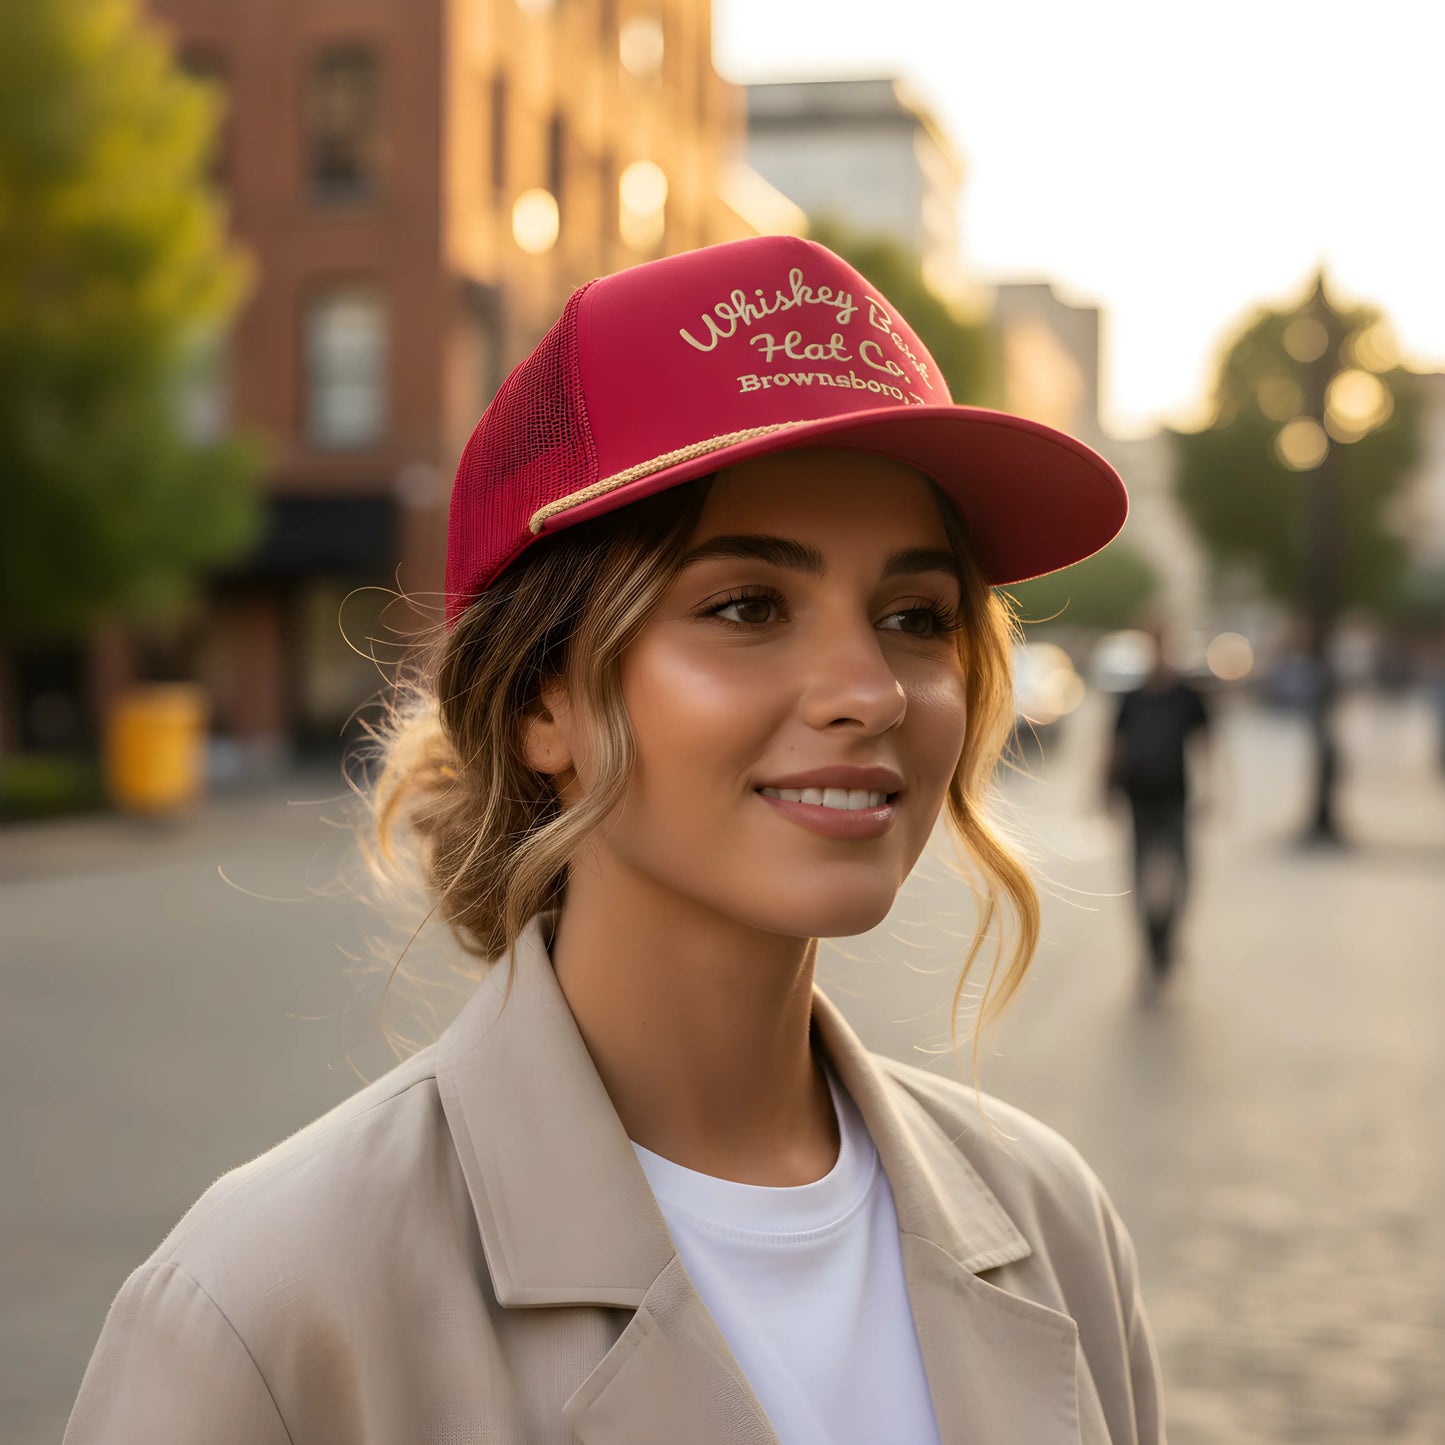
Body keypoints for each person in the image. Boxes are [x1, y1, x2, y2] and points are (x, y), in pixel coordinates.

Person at [65, 235, 1164, 1443]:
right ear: (542, 698)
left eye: (914, 616)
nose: (872, 689)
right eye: (746, 605)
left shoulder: (1055, 1224)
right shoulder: (261, 1310)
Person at [1107, 627, 1213, 983]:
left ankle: (1167, 932)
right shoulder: (1132, 697)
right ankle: (1151, 943)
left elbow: (1206, 743)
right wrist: (1104, 789)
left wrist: (1211, 789)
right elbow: (1114, 746)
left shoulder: (1186, 696)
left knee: (1181, 871)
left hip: (1175, 794)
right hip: (1138, 794)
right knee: (1138, 872)